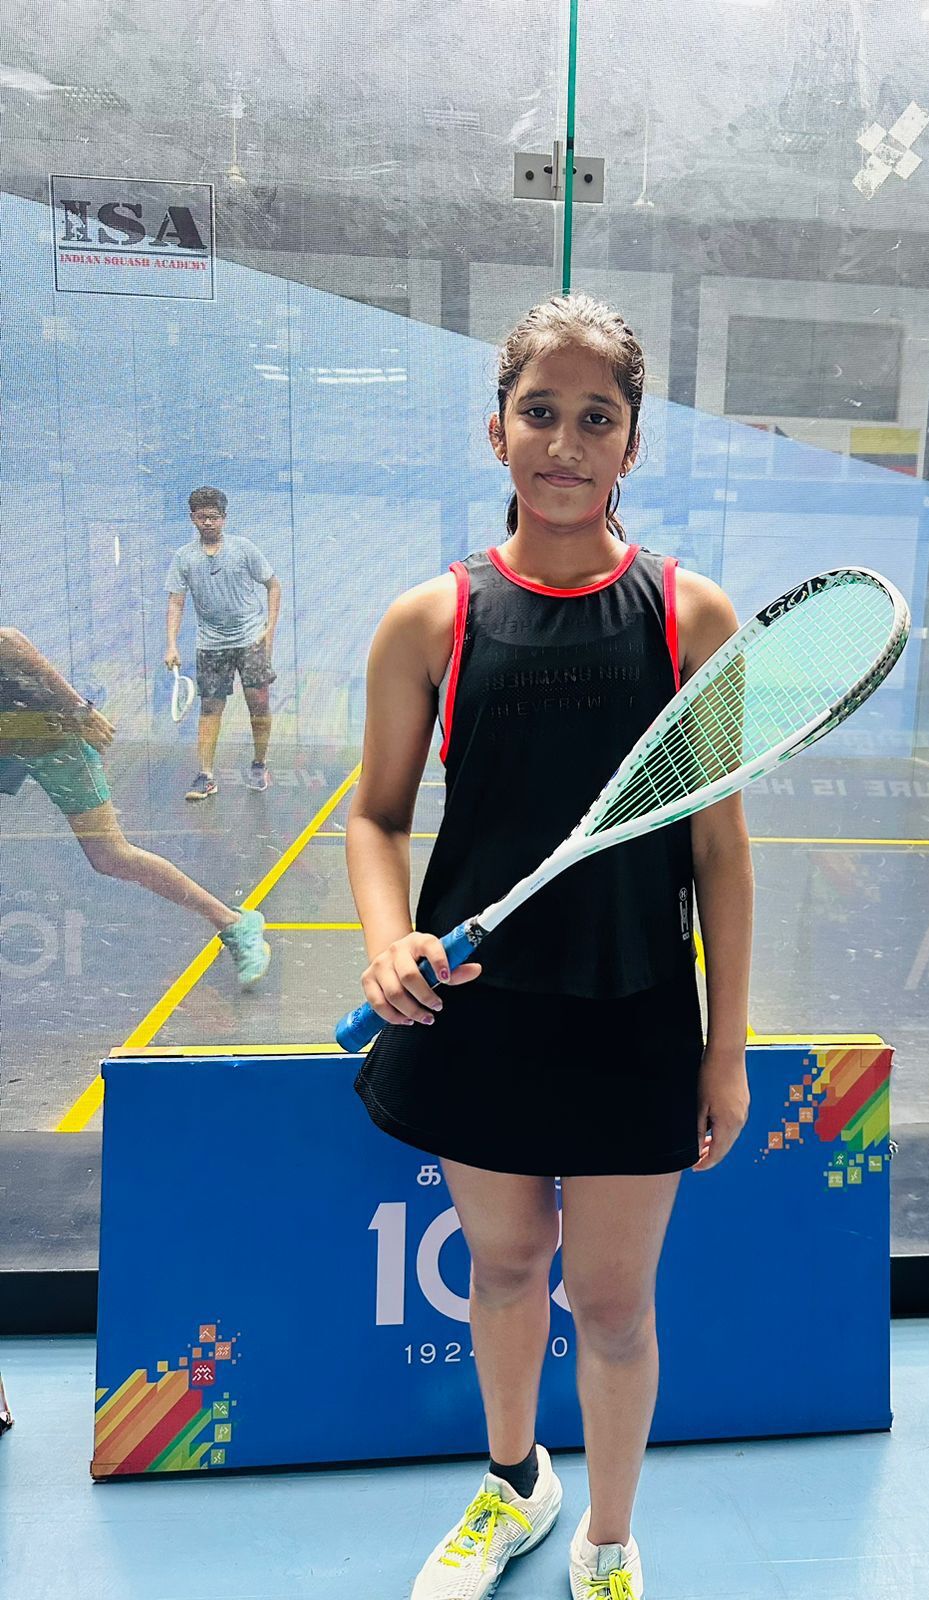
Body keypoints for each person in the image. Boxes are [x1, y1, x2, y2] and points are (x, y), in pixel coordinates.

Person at [346, 294, 753, 1600]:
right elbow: (375, 816)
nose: (565, 444)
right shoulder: (431, 621)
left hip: (638, 1014)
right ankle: (517, 1485)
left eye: (596, 418)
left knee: (618, 1306)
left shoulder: (691, 619)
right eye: (540, 413)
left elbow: (720, 852)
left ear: (632, 443)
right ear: (497, 430)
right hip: (483, 1013)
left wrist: (726, 1052)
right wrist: (388, 939)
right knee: (509, 1267)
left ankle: (609, 1539)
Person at [0, 627, 270, 986]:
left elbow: (9, 641)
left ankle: (234, 923)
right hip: (7, 743)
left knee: (111, 856)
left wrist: (80, 711)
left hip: (50, 741)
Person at [164, 486, 282, 801]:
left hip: (250, 639)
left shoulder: (244, 549)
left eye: (214, 517)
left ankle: (259, 765)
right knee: (210, 707)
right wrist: (171, 644)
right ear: (193, 518)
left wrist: (269, 629)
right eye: (202, 517)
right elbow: (176, 602)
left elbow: (273, 585)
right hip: (211, 644)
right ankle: (205, 776)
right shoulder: (184, 558)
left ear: (224, 518)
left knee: (258, 704)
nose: (208, 522)